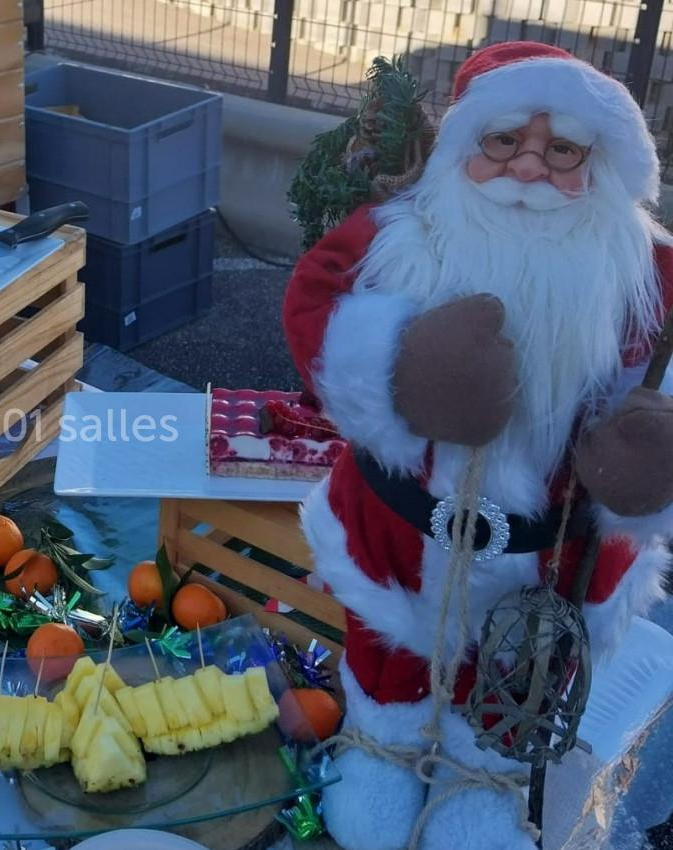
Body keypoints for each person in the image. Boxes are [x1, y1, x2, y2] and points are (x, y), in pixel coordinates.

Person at [283, 41, 673, 850]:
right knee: (390, 661)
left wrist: (655, 463)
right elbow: (312, 302)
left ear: (599, 163)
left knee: (507, 686)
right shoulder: (399, 235)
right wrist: (399, 373)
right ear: (466, 144)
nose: (529, 169)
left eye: (562, 148)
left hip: (548, 560)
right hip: (400, 531)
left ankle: (482, 784)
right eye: (503, 142)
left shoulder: (647, 270)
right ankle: (379, 753)